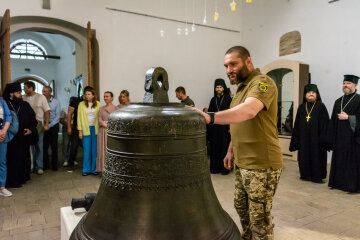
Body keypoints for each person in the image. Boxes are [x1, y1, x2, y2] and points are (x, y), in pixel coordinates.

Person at [189, 46, 282, 240]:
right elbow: (237, 123)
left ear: (248, 61)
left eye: (233, 64)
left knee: (259, 219)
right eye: (226, 66)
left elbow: (248, 111)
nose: (228, 70)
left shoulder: (262, 83)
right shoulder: (240, 89)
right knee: (241, 207)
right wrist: (230, 151)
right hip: (242, 161)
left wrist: (209, 117)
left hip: (261, 163)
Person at [289, 84, 330, 183]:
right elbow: (297, 124)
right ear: (305, 95)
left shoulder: (321, 106)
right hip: (304, 139)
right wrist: (296, 139)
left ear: (317, 95)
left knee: (317, 157)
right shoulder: (302, 107)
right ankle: (305, 175)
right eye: (309, 93)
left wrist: (323, 139)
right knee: (304, 156)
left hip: (317, 139)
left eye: (313, 93)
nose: (311, 94)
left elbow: (326, 124)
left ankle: (317, 177)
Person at [328, 74, 360, 192]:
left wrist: (349, 118)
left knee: (352, 163)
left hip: (353, 139)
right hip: (339, 138)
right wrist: (330, 138)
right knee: (339, 160)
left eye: (348, 83)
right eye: (344, 83)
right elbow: (332, 120)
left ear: (355, 85)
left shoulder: (359, 99)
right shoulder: (338, 101)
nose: (345, 85)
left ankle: (351, 186)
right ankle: (337, 184)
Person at [3, 82, 38, 188]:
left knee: (24, 157)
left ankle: (23, 177)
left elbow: (33, 119)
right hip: (11, 138)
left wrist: (31, 129)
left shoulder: (25, 104)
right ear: (11, 94)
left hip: (23, 137)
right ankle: (13, 181)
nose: (20, 95)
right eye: (18, 93)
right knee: (13, 159)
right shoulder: (5, 105)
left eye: (20, 92)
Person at [23, 81, 50, 175]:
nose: (24, 89)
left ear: (31, 88)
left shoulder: (41, 97)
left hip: (38, 123)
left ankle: (39, 167)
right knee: (29, 147)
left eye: (26, 88)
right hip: (27, 124)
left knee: (38, 145)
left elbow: (47, 111)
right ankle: (30, 166)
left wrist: (46, 124)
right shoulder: (23, 97)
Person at [207, 78, 232, 175]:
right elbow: (210, 114)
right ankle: (215, 168)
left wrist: (230, 127)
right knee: (215, 147)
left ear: (223, 88)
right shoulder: (213, 100)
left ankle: (224, 169)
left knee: (224, 147)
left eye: (220, 87)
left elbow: (231, 114)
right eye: (217, 87)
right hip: (215, 128)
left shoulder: (228, 99)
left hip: (225, 127)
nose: (218, 89)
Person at [77, 87, 100, 176]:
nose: (86, 96)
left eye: (88, 94)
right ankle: (85, 169)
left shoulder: (98, 104)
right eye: (86, 94)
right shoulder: (81, 104)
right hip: (85, 128)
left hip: (96, 129)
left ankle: (94, 169)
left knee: (94, 150)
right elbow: (79, 118)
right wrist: (80, 131)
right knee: (87, 150)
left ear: (93, 95)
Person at [97, 91, 118, 172]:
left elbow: (116, 121)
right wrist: (106, 123)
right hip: (102, 133)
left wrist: (106, 123)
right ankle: (103, 170)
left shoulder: (116, 109)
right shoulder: (101, 109)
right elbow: (99, 121)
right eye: (104, 96)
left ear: (112, 98)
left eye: (107, 96)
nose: (105, 98)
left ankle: (112, 170)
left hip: (112, 133)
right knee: (102, 151)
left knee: (112, 151)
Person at [42, 86, 61, 171]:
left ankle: (54, 165)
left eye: (45, 91)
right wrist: (44, 125)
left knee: (54, 146)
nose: (43, 93)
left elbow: (58, 116)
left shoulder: (56, 102)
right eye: (43, 91)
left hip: (53, 126)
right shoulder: (41, 101)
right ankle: (45, 165)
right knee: (44, 146)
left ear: (50, 92)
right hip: (43, 126)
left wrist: (49, 125)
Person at [0, 89, 12, 197]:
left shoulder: (2, 101)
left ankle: (2, 187)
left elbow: (8, 116)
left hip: (2, 136)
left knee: (2, 162)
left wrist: (3, 131)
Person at [67, 95, 82, 170]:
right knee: (74, 146)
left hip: (88, 127)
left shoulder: (93, 102)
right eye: (86, 94)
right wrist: (69, 127)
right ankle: (71, 164)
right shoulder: (76, 101)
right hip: (76, 126)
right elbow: (69, 114)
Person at [60, 99, 72, 167]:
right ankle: (65, 160)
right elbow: (61, 119)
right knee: (66, 143)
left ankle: (72, 159)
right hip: (66, 127)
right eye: (71, 101)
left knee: (72, 144)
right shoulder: (64, 109)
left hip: (74, 127)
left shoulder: (77, 109)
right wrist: (68, 125)